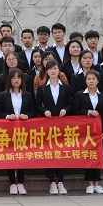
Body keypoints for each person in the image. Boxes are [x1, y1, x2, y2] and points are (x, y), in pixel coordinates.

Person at [36, 59, 72, 194]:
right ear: (46, 71)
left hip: (62, 124)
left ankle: (61, 181)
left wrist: (65, 109)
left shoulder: (66, 87)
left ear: (59, 70)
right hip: (48, 124)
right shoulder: (42, 88)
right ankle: (52, 181)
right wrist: (44, 111)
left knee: (61, 152)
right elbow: (37, 105)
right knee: (50, 152)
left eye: (55, 68)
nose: (53, 71)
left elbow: (71, 104)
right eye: (50, 69)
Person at [0, 68, 34, 195]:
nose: (16, 80)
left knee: (22, 155)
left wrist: (26, 115)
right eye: (13, 78)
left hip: (23, 131)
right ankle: (12, 182)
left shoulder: (27, 95)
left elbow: (32, 111)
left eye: (18, 77)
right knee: (10, 155)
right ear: (9, 80)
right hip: (8, 131)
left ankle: (21, 182)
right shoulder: (3, 95)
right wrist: (7, 116)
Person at [74, 70, 103, 194]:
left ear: (98, 81)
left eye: (93, 79)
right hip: (86, 131)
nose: (91, 81)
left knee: (98, 155)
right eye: (89, 79)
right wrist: (88, 112)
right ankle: (89, 183)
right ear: (85, 81)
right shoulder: (79, 95)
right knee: (88, 155)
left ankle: (97, 183)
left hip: (100, 130)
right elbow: (75, 111)